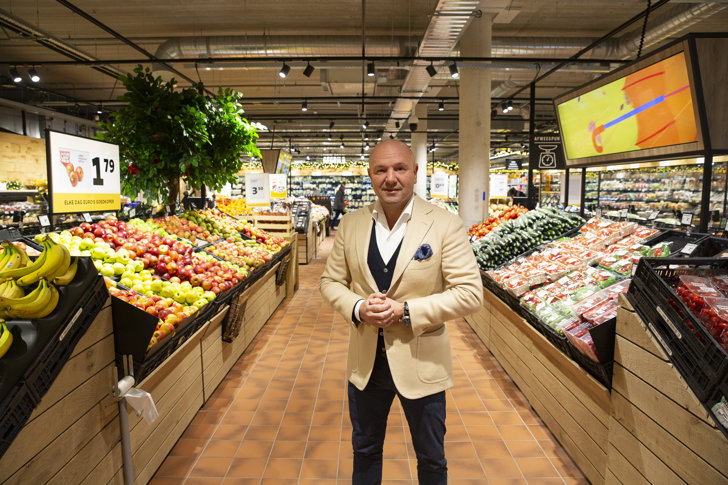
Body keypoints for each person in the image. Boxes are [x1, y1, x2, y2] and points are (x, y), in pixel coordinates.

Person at [319, 139, 483, 484]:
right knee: (364, 451)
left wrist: (406, 311)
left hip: (422, 363)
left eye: (399, 169)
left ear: (414, 173)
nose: (390, 178)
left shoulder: (444, 225)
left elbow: (469, 293)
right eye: (381, 170)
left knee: (431, 458)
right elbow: (330, 282)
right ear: (370, 175)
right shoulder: (351, 224)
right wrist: (359, 306)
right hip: (366, 364)